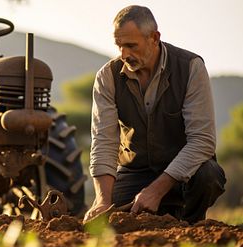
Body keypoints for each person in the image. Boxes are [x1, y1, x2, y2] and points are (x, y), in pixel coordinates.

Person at [83, 5, 226, 224]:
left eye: (131, 45)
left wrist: (156, 191)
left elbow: (202, 141)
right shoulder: (107, 76)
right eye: (119, 46)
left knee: (208, 175)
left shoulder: (190, 67)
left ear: (154, 38)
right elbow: (103, 141)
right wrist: (102, 200)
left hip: (184, 174)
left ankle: (192, 227)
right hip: (135, 172)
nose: (124, 54)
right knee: (110, 219)